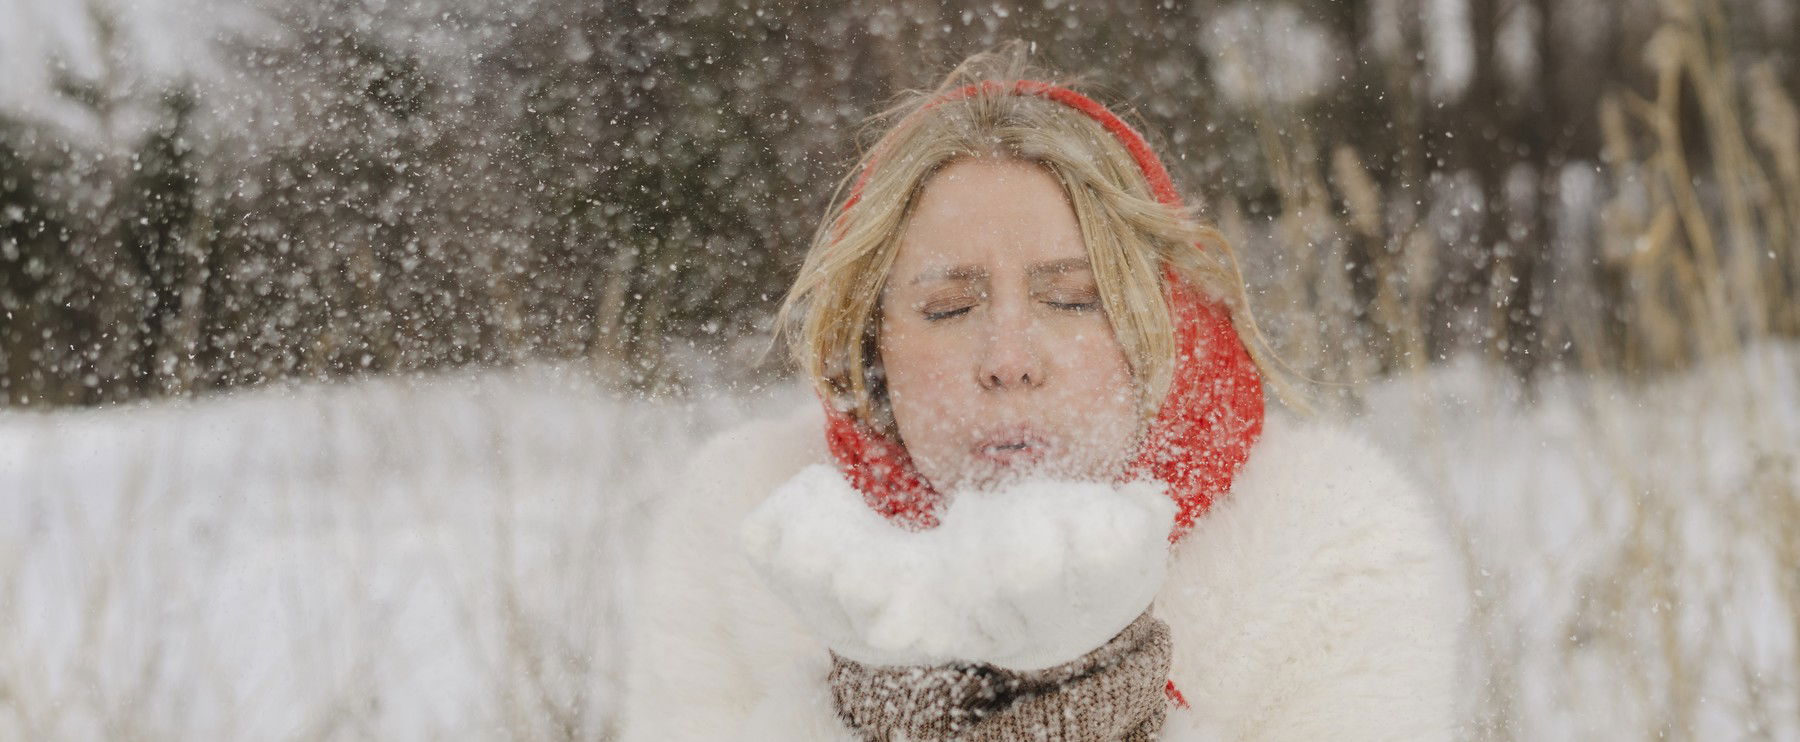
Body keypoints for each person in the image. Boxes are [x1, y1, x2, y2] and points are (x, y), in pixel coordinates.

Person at [619, 46, 1468, 741]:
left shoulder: (1330, 547)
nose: (1009, 359)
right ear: (870, 337)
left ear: (1155, 318)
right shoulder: (750, 527)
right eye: (948, 307)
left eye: (1071, 299)